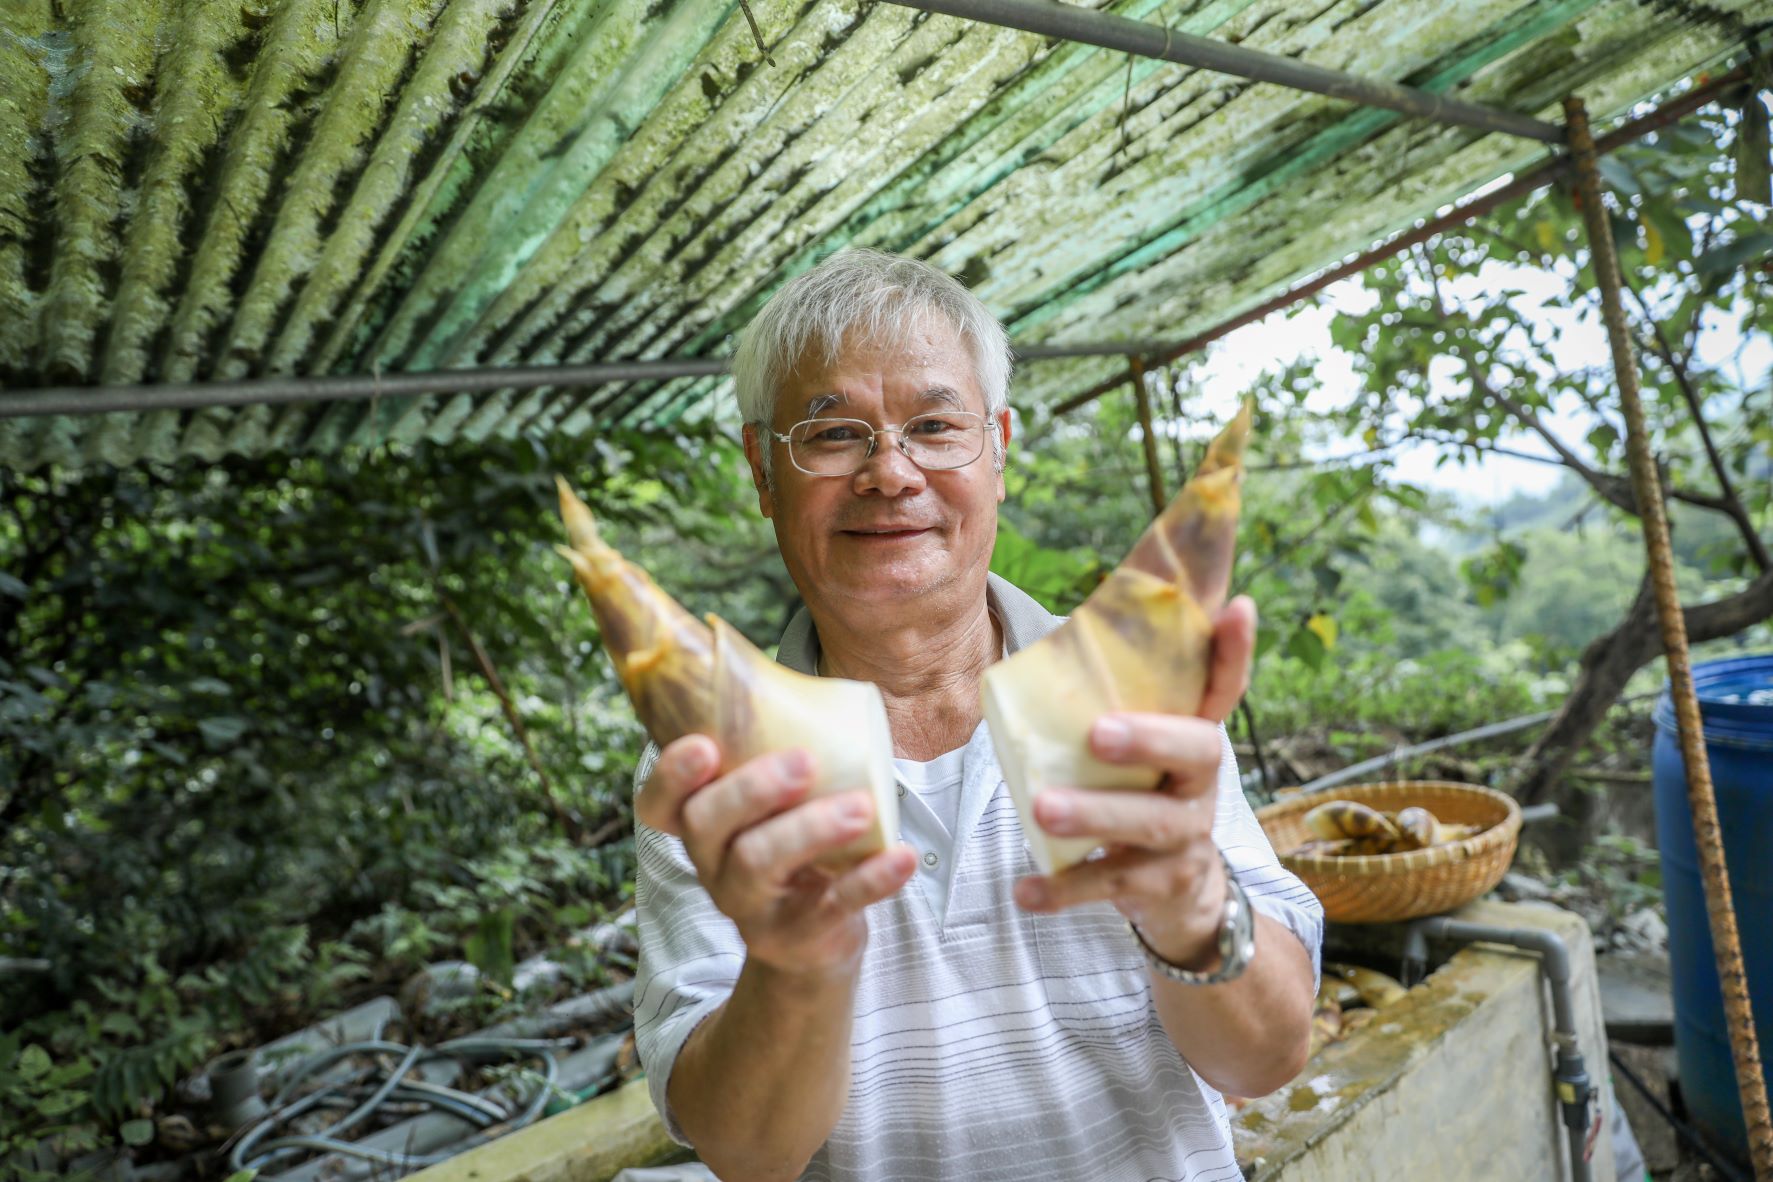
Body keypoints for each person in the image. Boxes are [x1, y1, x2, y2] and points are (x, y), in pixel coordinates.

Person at [627, 249, 1322, 1182]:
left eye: (933, 425)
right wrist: (795, 967)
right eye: (832, 435)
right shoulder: (717, 760)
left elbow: (1266, 1058)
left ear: (996, 449)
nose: (890, 471)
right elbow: (750, 1151)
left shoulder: (1124, 689)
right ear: (762, 471)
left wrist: (1190, 903)